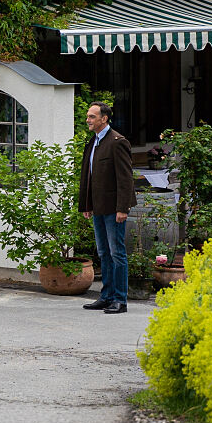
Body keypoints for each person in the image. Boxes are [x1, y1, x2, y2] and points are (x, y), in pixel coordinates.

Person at [77, 101, 135, 314]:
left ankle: (120, 300)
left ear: (104, 119)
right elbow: (88, 176)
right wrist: (86, 204)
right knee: (103, 253)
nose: (88, 120)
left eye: (92, 117)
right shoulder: (93, 142)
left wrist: (123, 208)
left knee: (117, 253)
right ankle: (106, 296)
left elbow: (125, 179)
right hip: (98, 208)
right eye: (88, 116)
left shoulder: (118, 142)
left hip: (114, 209)